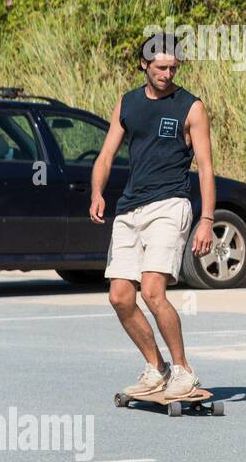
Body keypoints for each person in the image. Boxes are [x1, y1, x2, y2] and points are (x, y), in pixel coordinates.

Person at [90, 33, 216, 399]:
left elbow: (206, 168)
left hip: (170, 204)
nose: (167, 73)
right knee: (120, 296)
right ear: (144, 65)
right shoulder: (127, 103)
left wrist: (206, 219)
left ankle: (183, 370)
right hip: (130, 208)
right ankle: (156, 368)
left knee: (153, 291)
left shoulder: (191, 107)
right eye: (160, 67)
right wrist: (98, 191)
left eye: (173, 68)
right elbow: (106, 154)